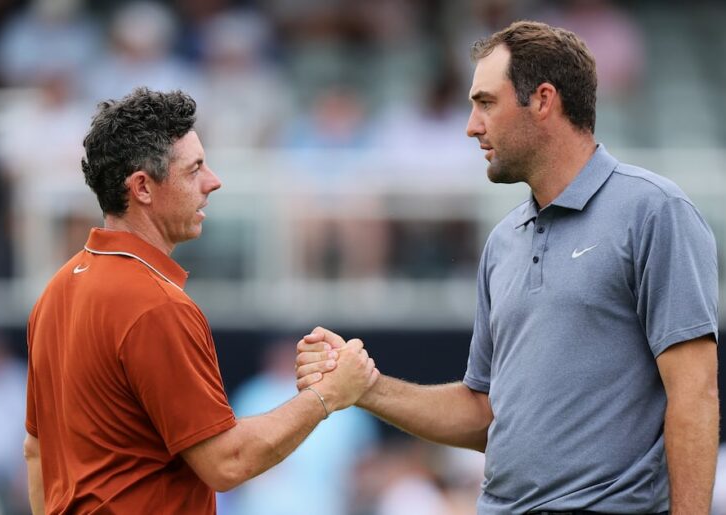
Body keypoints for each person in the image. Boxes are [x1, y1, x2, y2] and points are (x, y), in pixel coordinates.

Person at [296, 21, 719, 515]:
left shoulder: (655, 211)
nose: (471, 125)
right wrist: (366, 387)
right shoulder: (502, 241)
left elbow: (695, 393)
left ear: (543, 100)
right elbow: (484, 413)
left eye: (486, 103)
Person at [23, 87, 378, 514]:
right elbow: (226, 462)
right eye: (194, 170)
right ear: (143, 188)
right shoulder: (157, 305)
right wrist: (327, 395)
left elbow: (36, 452)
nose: (213, 181)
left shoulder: (56, 290)